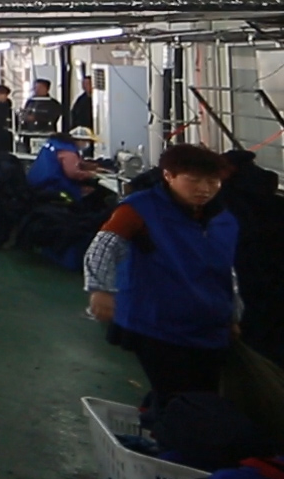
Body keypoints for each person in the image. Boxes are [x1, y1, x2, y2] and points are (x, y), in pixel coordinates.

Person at [84, 145, 238, 403]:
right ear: (168, 176)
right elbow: (103, 248)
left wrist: (233, 315)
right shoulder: (140, 209)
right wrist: (100, 290)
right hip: (157, 324)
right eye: (193, 180)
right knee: (178, 395)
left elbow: (227, 270)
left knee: (203, 395)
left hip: (209, 327)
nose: (204, 189)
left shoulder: (223, 218)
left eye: (213, 182)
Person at [28, 130, 100, 200]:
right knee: (91, 192)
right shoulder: (68, 151)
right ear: (80, 140)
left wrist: (92, 167)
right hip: (53, 186)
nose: (87, 144)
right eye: (87, 141)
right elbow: (73, 173)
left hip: (38, 184)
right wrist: (91, 175)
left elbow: (75, 162)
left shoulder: (56, 144)